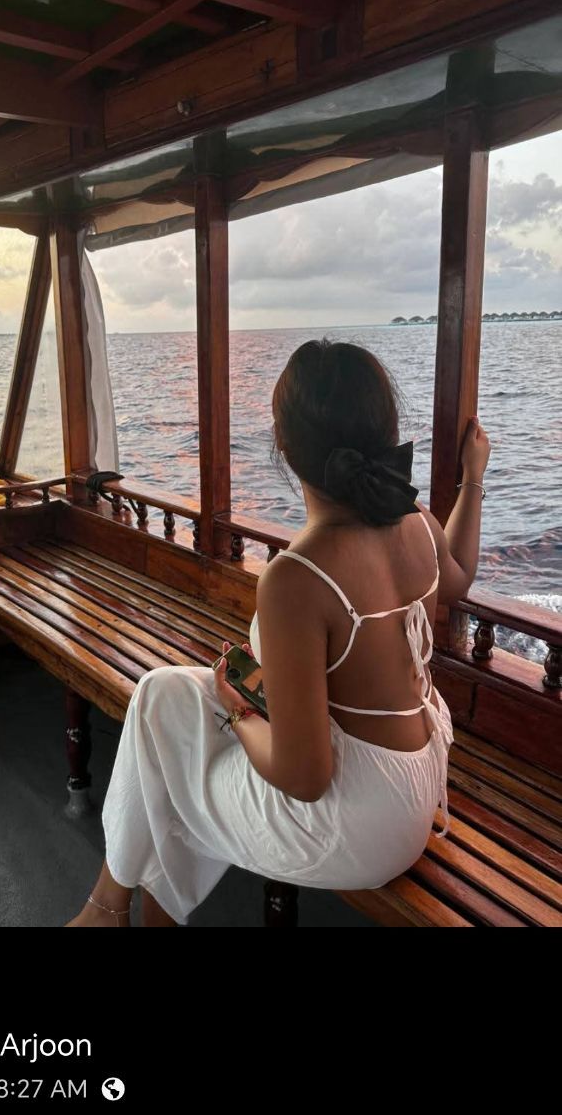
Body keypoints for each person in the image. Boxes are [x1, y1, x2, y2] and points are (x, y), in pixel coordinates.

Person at [67, 339, 490, 927]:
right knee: (161, 694)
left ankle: (105, 909)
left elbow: (304, 778)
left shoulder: (299, 576)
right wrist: (473, 479)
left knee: (174, 777)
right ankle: (108, 907)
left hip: (362, 824)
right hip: (419, 781)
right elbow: (460, 575)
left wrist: (240, 711)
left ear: (284, 448)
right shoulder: (417, 523)